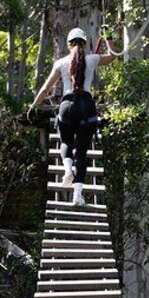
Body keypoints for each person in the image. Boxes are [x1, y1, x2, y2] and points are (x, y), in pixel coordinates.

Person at [31, 28, 117, 205]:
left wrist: (33, 106)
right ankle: (78, 195)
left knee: (66, 143)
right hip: (86, 106)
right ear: (84, 44)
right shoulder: (92, 59)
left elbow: (45, 89)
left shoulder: (61, 63)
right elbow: (113, 56)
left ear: (68, 44)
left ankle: (68, 169)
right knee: (82, 152)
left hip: (67, 106)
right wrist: (108, 38)